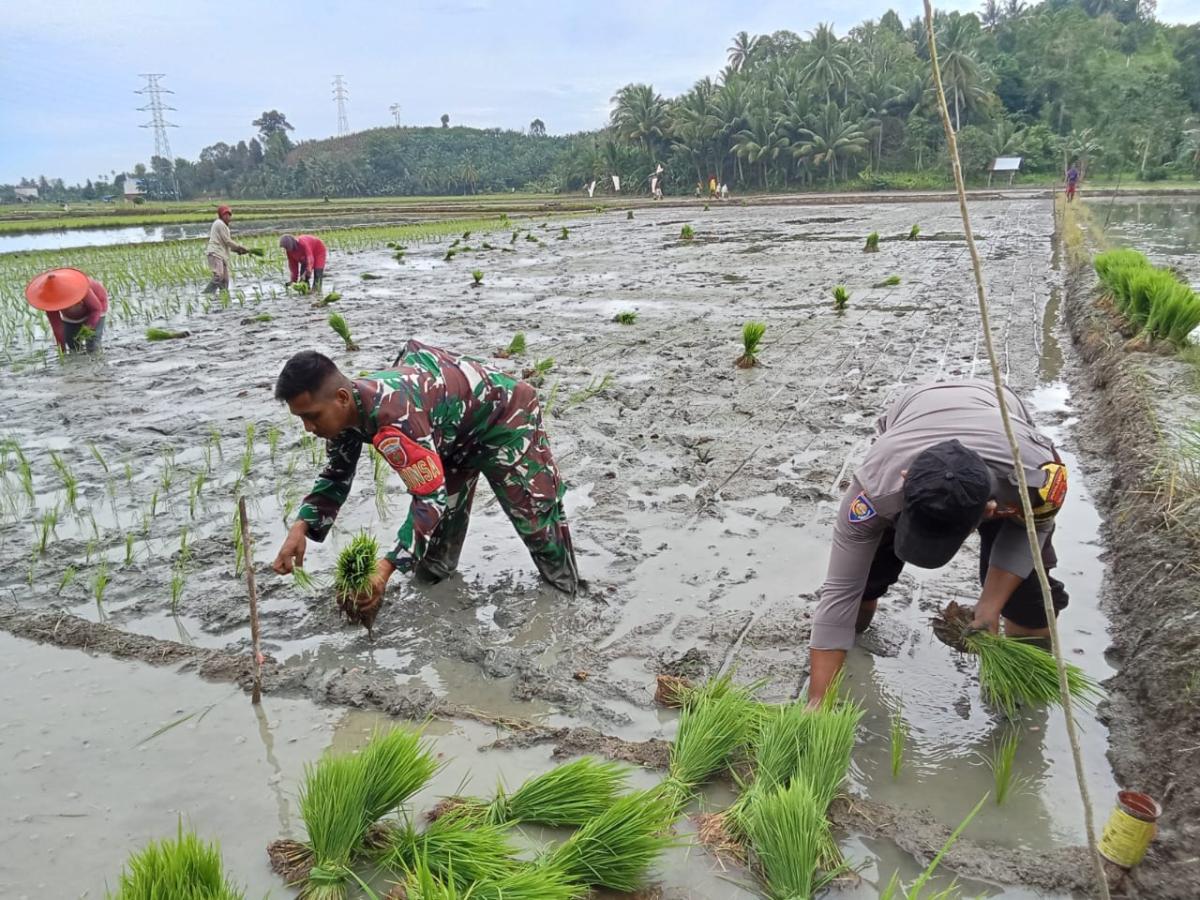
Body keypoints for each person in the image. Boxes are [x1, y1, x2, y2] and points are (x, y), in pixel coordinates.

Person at [271, 341, 581, 621]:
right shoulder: (343, 417)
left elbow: (429, 497)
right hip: (450, 433)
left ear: (341, 398)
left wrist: (386, 567)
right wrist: (301, 527)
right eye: (301, 419)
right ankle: (437, 596)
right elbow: (337, 474)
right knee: (435, 551)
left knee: (536, 522)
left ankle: (567, 598)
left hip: (502, 415)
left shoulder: (395, 417)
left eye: (312, 416)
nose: (309, 428)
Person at [807, 380, 1070, 705]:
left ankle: (1024, 691)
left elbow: (1025, 534)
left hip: (998, 416)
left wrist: (989, 608)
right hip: (917, 409)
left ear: (990, 511)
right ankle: (855, 640)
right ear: (906, 480)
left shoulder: (1037, 480)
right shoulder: (877, 485)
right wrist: (816, 704)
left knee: (1028, 596)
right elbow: (840, 591)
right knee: (866, 578)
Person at [25, 267, 108, 353]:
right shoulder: (49, 299)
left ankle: (96, 361)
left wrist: (86, 329)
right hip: (72, 314)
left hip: (97, 307)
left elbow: (96, 309)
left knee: (92, 343)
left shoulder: (80, 287)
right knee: (72, 343)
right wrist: (62, 351)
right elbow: (57, 327)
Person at [203, 205, 249, 294]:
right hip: (215, 253)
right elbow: (227, 241)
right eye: (225, 215)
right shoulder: (219, 223)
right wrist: (240, 247)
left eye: (229, 215)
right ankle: (207, 294)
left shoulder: (225, 227)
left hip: (222, 254)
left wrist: (238, 251)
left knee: (225, 280)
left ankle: (224, 298)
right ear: (220, 215)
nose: (228, 217)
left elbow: (226, 245)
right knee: (219, 275)